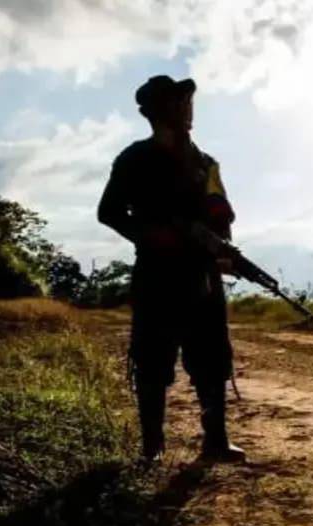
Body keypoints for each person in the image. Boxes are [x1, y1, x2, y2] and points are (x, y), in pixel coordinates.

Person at [97, 75, 245, 463]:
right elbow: (108, 212)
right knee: (151, 360)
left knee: (212, 360)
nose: (186, 109)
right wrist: (151, 236)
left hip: (203, 277)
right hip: (157, 275)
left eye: (187, 101)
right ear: (155, 111)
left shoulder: (206, 163)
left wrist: (223, 249)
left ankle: (216, 441)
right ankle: (152, 446)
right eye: (178, 102)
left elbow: (221, 214)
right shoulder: (133, 159)